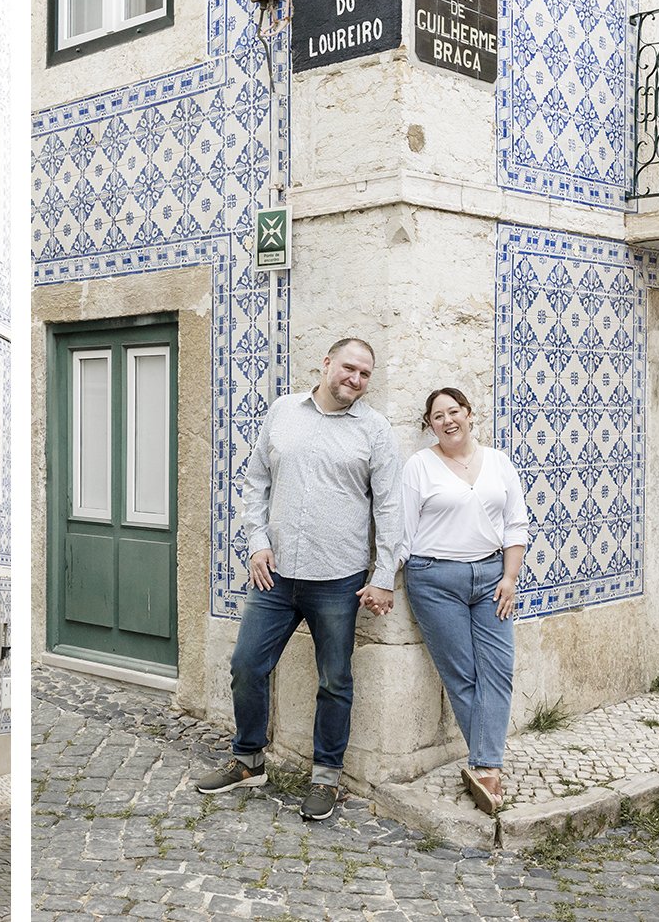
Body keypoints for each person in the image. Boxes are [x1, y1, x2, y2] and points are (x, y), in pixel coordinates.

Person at [196, 337, 401, 821]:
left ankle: (325, 778)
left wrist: (386, 574)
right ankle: (248, 760)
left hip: (338, 578)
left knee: (335, 680)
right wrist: (256, 542)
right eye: (349, 368)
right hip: (275, 575)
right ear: (326, 362)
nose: (356, 379)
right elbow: (256, 483)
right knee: (246, 666)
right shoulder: (283, 411)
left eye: (365, 374)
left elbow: (389, 507)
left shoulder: (374, 430)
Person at [398, 387, 527, 814]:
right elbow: (403, 530)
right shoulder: (420, 466)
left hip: (493, 576)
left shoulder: (499, 462)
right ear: (430, 425)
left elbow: (515, 524)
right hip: (435, 579)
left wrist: (510, 576)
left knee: (498, 670)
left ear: (470, 415)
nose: (448, 420)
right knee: (461, 674)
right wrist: (384, 579)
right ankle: (489, 767)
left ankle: (484, 766)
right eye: (438, 416)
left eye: (454, 411)